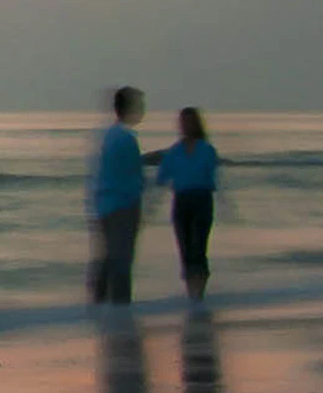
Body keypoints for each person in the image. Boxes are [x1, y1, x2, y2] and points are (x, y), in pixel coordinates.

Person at [83, 84, 148, 304]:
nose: (142, 111)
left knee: (108, 258)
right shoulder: (125, 138)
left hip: (105, 204)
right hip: (122, 205)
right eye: (139, 106)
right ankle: (119, 309)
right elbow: (132, 177)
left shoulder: (107, 136)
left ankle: (100, 305)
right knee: (121, 261)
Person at [159, 106, 223, 300]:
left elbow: (213, 179)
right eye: (182, 122)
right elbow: (161, 178)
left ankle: (199, 293)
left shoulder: (207, 149)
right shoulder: (174, 151)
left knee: (198, 247)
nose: (185, 126)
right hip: (181, 201)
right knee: (185, 249)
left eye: (189, 122)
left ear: (196, 124)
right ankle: (192, 294)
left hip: (202, 200)